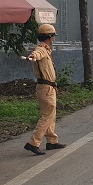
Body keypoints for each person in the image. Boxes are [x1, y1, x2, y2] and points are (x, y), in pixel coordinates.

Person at [23, 24, 66, 155]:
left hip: (49, 87)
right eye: (53, 36)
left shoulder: (46, 50)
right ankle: (33, 142)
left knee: (51, 115)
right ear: (48, 37)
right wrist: (32, 57)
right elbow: (36, 54)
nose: (53, 39)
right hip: (45, 87)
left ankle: (51, 141)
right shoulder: (41, 49)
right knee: (47, 115)